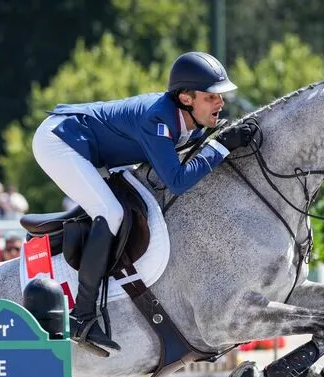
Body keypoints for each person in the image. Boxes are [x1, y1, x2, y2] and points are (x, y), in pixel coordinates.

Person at [32, 51, 258, 353]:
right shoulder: (158, 118)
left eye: (220, 97)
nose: (221, 103)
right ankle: (83, 315)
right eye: (212, 97)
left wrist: (224, 140)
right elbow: (177, 181)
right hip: (58, 141)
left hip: (92, 149)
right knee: (110, 212)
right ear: (186, 98)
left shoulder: (186, 119)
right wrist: (220, 146)